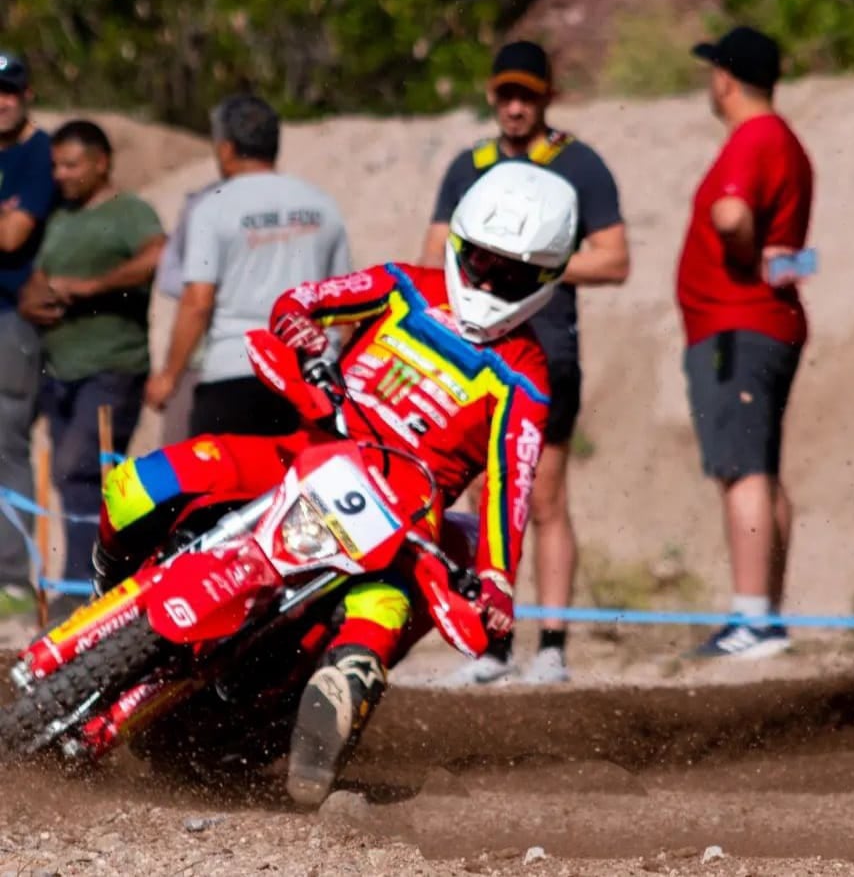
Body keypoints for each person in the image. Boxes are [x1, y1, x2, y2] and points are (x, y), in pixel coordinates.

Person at [91, 162, 578, 807]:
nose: (491, 281)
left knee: (379, 621)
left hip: (406, 525)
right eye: (484, 262)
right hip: (310, 448)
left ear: (544, 279)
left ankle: (318, 736)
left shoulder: (526, 378)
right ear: (461, 244)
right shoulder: (404, 283)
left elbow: (508, 491)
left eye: (513, 274)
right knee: (139, 485)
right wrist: (301, 329)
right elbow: (302, 300)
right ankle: (108, 600)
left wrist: (494, 580)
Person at [419, 40, 629, 685]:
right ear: (491, 94)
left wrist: (532, 262)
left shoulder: (580, 164)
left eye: (527, 95)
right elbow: (433, 256)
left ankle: (554, 646)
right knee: (487, 499)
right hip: (476, 355)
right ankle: (492, 646)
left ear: (547, 97)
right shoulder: (468, 165)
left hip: (547, 355)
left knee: (544, 498)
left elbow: (616, 258)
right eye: (506, 94)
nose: (515, 106)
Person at [676, 25, 815, 660]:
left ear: (727, 78)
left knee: (742, 470)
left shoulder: (753, 138)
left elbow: (731, 215)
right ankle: (767, 617)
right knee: (762, 468)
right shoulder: (785, 141)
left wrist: (740, 248)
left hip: (738, 324)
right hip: (765, 321)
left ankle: (753, 619)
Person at [17, 120, 165, 604]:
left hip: (111, 366)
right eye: (56, 165)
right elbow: (41, 276)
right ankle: (84, 580)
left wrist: (91, 288)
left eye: (71, 164)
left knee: (82, 468)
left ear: (102, 163)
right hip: (61, 370)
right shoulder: (61, 217)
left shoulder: (130, 213)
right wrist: (34, 301)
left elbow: (156, 256)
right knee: (69, 478)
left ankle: (89, 587)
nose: (61, 174)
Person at [144, 93, 352, 436]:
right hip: (311, 377)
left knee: (225, 487)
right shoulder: (321, 204)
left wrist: (169, 376)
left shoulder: (213, 208)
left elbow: (198, 301)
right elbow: (344, 304)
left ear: (225, 149)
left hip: (235, 373)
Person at [0, 51, 56, 617]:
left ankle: (13, 578)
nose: (0, 101)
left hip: (11, 316)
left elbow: (13, 235)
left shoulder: (40, 153)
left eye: (8, 90)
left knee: (6, 438)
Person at [155, 178, 222, 445]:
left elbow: (196, 302)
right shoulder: (201, 204)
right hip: (202, 361)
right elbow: (172, 280)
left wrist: (169, 377)